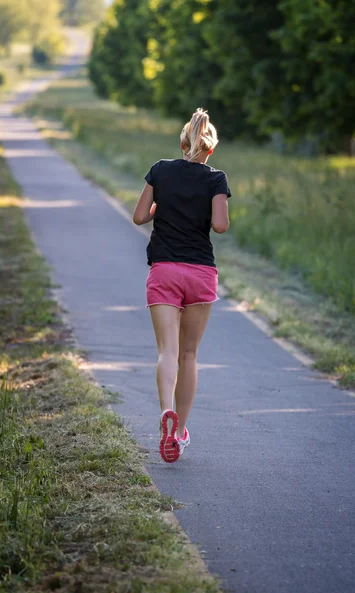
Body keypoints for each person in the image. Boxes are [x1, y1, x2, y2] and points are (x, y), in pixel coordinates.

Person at [133, 108, 231, 463]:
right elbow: (220, 226)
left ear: (182, 143)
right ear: (211, 150)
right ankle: (180, 431)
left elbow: (140, 216)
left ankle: (164, 411)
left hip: (164, 271)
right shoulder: (216, 179)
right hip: (200, 273)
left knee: (167, 352)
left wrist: (163, 204)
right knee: (190, 354)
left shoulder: (160, 169)